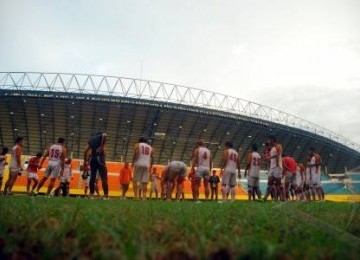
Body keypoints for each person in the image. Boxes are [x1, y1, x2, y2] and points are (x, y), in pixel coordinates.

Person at [83, 132, 109, 200]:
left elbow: (85, 151)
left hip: (93, 159)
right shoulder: (101, 139)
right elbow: (105, 135)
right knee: (104, 178)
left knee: (92, 177)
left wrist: (84, 161)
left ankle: (91, 195)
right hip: (100, 159)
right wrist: (102, 146)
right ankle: (106, 196)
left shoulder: (91, 140)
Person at [263, 135, 283, 202]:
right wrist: (266, 158)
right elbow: (270, 159)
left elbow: (278, 155)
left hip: (277, 167)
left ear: (272, 140)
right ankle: (266, 198)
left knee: (278, 184)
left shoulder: (278, 146)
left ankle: (282, 198)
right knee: (270, 183)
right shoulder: (272, 149)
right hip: (272, 168)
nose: (268, 141)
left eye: (269, 140)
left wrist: (269, 158)